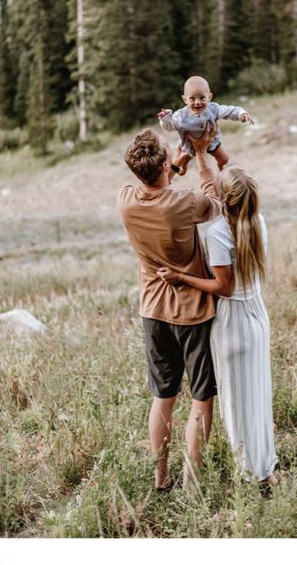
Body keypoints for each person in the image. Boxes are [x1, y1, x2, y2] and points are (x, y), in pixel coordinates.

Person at [158, 166, 277, 488]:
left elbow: (223, 287)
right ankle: (265, 466)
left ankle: (254, 478)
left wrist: (181, 277)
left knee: (237, 408)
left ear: (223, 199)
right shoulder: (256, 222)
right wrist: (200, 153)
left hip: (233, 322)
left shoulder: (219, 232)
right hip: (257, 315)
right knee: (258, 399)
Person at [118, 123, 221, 490]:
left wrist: (179, 159)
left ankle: (161, 480)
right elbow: (215, 202)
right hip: (193, 312)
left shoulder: (126, 200)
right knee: (201, 398)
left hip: (152, 311)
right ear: (163, 166)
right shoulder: (184, 204)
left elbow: (158, 186)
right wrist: (203, 154)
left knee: (163, 398)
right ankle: (192, 482)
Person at [157, 75, 254, 176]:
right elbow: (169, 127)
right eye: (192, 99)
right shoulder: (180, 116)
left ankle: (221, 168)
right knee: (180, 169)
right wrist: (165, 119)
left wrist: (241, 114)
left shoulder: (214, 109)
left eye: (202, 98)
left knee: (225, 159)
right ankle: (184, 166)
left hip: (212, 142)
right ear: (185, 99)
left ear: (209, 97)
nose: (197, 102)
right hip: (189, 145)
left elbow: (229, 111)